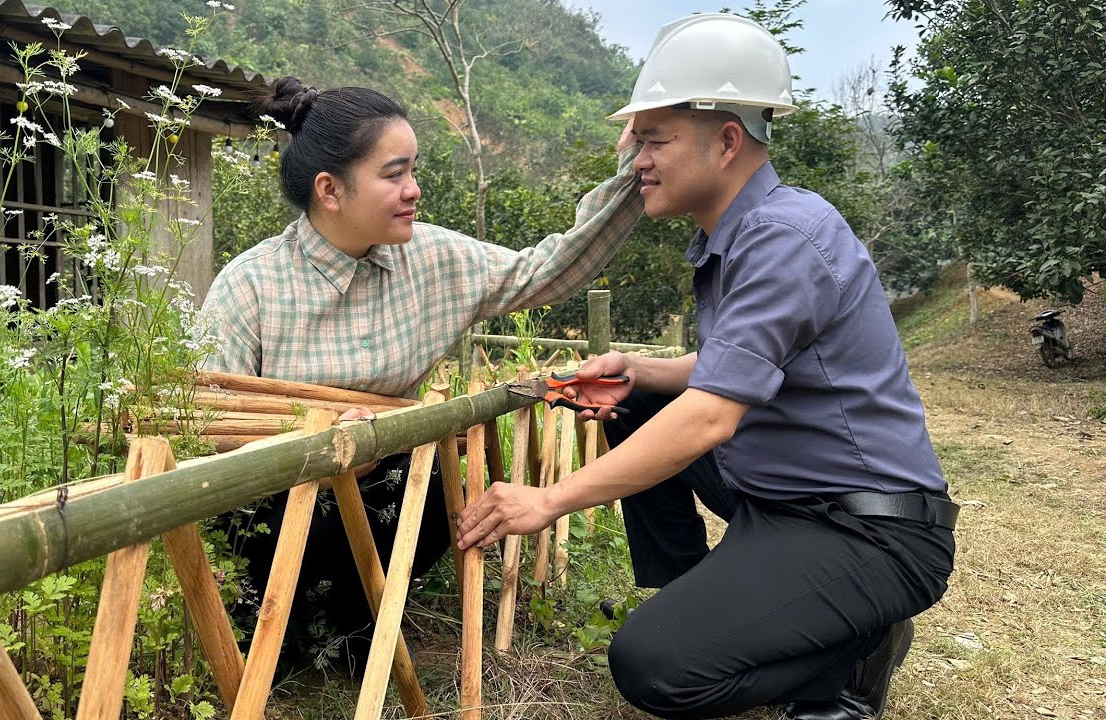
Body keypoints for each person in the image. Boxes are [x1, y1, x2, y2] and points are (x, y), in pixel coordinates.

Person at [455, 13, 958, 720]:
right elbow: (731, 365)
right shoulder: (739, 235)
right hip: (788, 505)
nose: (638, 163)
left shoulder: (783, 237)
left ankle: (856, 648)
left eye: (654, 141)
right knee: (631, 399)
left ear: (726, 142)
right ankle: (704, 597)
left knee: (653, 667)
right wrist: (639, 369)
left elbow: (713, 414)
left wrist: (549, 500)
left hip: (869, 532)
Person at [200, 77, 643, 668]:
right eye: (394, 174)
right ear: (330, 189)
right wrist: (310, 443)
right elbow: (206, 426)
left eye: (413, 171)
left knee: (435, 486)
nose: (414, 190)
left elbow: (545, 271)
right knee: (267, 550)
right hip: (276, 500)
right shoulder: (250, 285)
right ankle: (277, 635)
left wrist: (636, 173)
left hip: (388, 482)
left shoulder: (433, 258)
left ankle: (359, 631)